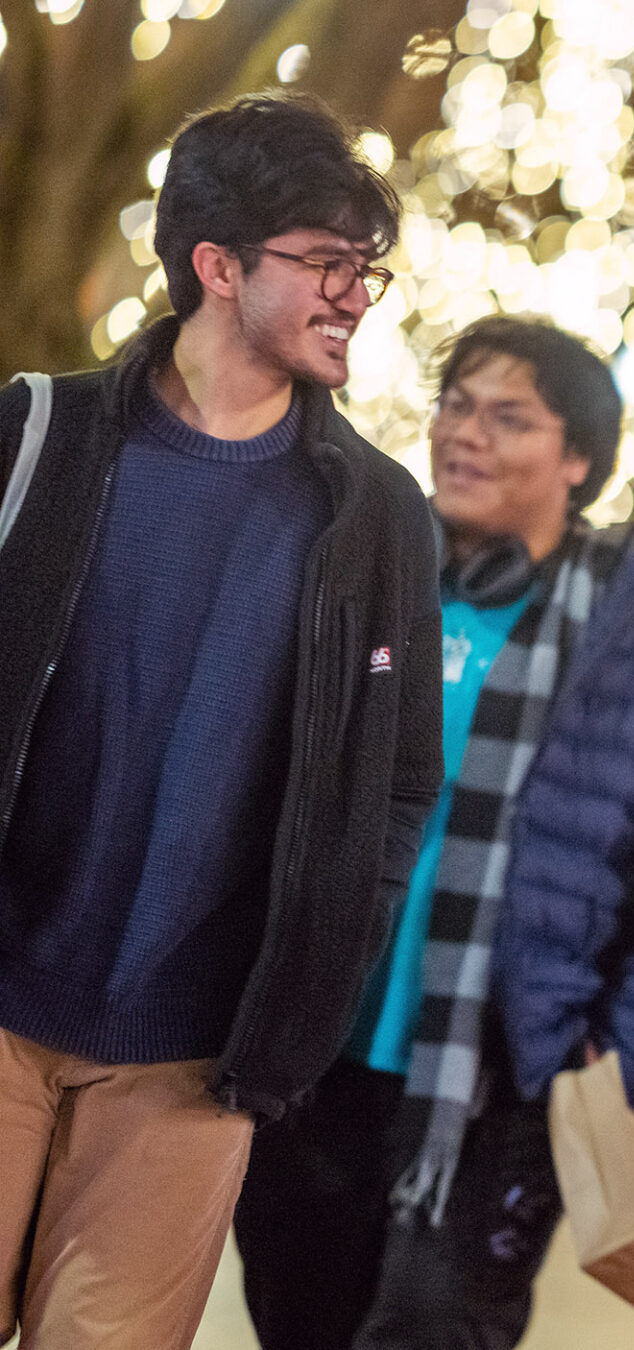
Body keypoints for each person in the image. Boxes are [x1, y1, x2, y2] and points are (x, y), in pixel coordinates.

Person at [0, 94, 438, 1349]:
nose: (359, 295)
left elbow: (403, 783)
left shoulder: (375, 517)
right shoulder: (35, 435)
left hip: (194, 1063)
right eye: (327, 263)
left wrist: (316, 963)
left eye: (370, 269)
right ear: (216, 266)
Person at [232, 315, 634, 1349]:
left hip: (509, 1080)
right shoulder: (357, 580)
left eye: (508, 417)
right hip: (314, 1054)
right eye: (456, 405)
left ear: (577, 461)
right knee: (297, 1320)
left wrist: (606, 1057)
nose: (466, 434)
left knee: (438, 1329)